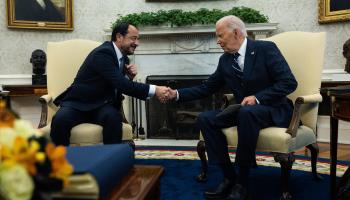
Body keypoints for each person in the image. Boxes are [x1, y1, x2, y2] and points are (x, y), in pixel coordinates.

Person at [167, 15, 297, 200]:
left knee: (246, 112)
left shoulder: (265, 49)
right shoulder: (226, 60)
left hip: (274, 108)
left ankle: (242, 183)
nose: (218, 41)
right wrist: (176, 94)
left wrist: (258, 98)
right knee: (206, 118)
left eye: (220, 35)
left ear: (236, 32)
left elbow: (289, 83)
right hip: (246, 112)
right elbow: (207, 87)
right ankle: (229, 176)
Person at [50, 22, 170, 146]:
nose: (137, 43)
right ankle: (59, 162)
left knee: (113, 118)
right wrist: (155, 89)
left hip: (101, 105)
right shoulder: (103, 53)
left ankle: (111, 158)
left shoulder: (123, 58)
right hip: (78, 103)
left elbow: (117, 83)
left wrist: (129, 78)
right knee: (60, 120)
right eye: (133, 38)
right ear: (119, 37)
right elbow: (122, 85)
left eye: (137, 39)